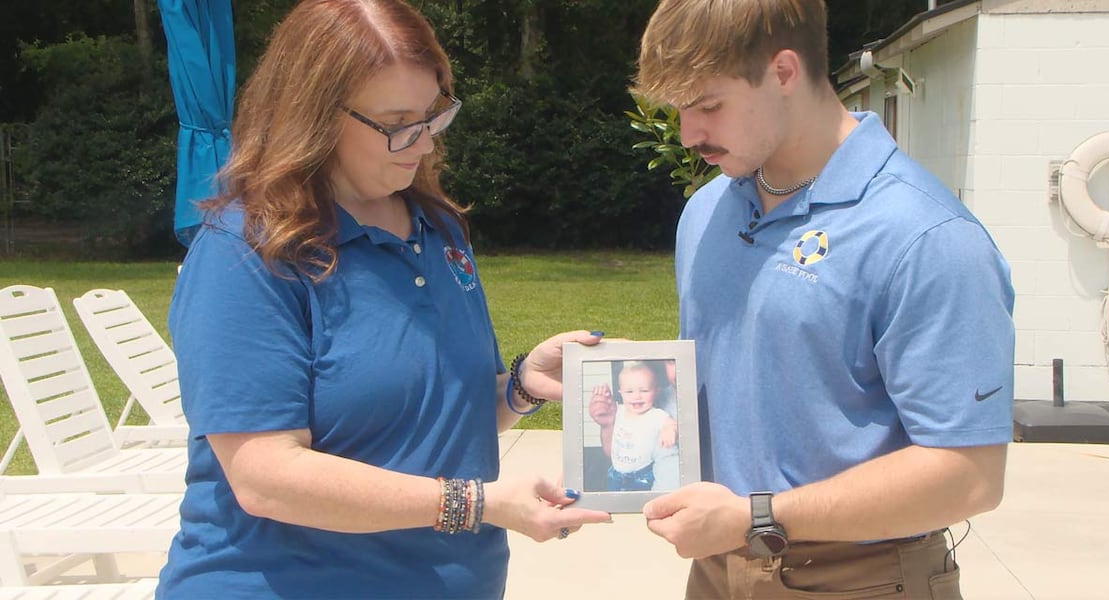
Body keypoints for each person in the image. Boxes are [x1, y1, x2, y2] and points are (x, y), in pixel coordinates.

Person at [156, 1, 610, 598]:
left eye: (432, 115)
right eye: (398, 122)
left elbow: (439, 417)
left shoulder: (436, 228)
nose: (422, 142)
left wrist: (520, 386)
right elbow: (265, 477)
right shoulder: (245, 251)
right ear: (313, 116)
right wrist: (475, 504)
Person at [594, 1, 1016, 598]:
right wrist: (623, 375)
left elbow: (969, 477)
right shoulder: (707, 211)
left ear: (784, 72)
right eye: (678, 110)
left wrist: (757, 517)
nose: (689, 134)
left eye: (708, 106)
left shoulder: (926, 237)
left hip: (859, 578)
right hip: (716, 567)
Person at [595, 361, 678, 491]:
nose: (637, 396)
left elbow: (670, 423)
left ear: (656, 391)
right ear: (620, 392)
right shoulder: (618, 411)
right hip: (616, 473)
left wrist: (669, 430)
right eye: (629, 391)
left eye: (644, 391)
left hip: (641, 475)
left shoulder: (655, 415)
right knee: (615, 499)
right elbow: (608, 428)